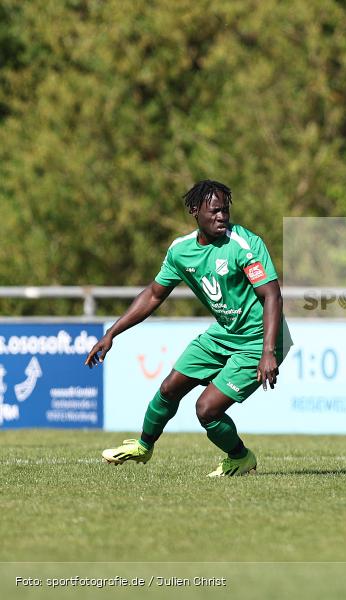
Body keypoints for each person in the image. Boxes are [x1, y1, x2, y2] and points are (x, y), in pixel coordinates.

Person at [85, 180, 292, 477]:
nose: (222, 216)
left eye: (225, 210)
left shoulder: (243, 244)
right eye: (215, 211)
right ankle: (143, 447)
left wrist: (268, 352)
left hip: (259, 339)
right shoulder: (181, 251)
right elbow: (154, 295)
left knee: (206, 409)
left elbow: (271, 295)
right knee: (170, 388)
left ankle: (240, 457)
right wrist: (112, 333)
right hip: (223, 334)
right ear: (195, 211)